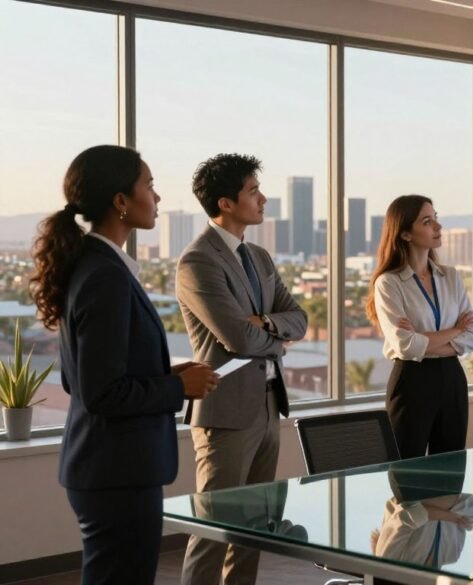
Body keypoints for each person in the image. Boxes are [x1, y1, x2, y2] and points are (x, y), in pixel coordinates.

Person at [31, 145, 218, 585]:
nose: (157, 197)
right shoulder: (105, 276)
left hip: (110, 468)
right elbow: (101, 393)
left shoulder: (95, 267)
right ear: (121, 201)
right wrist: (179, 389)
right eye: (149, 186)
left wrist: (166, 375)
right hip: (116, 472)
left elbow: (80, 377)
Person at [176, 153, 308, 585]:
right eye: (253, 191)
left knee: (253, 528)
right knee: (213, 530)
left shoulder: (260, 257)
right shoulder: (198, 261)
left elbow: (300, 319)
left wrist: (267, 323)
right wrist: (272, 336)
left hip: (269, 407)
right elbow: (239, 338)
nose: (263, 198)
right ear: (226, 203)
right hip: (226, 414)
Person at [366, 194, 473, 459]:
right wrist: (455, 331)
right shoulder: (389, 283)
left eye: (436, 218)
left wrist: (423, 339)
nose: (438, 227)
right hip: (412, 382)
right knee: (407, 471)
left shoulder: (450, 276)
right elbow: (405, 346)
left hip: (452, 379)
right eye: (427, 221)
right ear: (405, 234)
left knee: (450, 469)